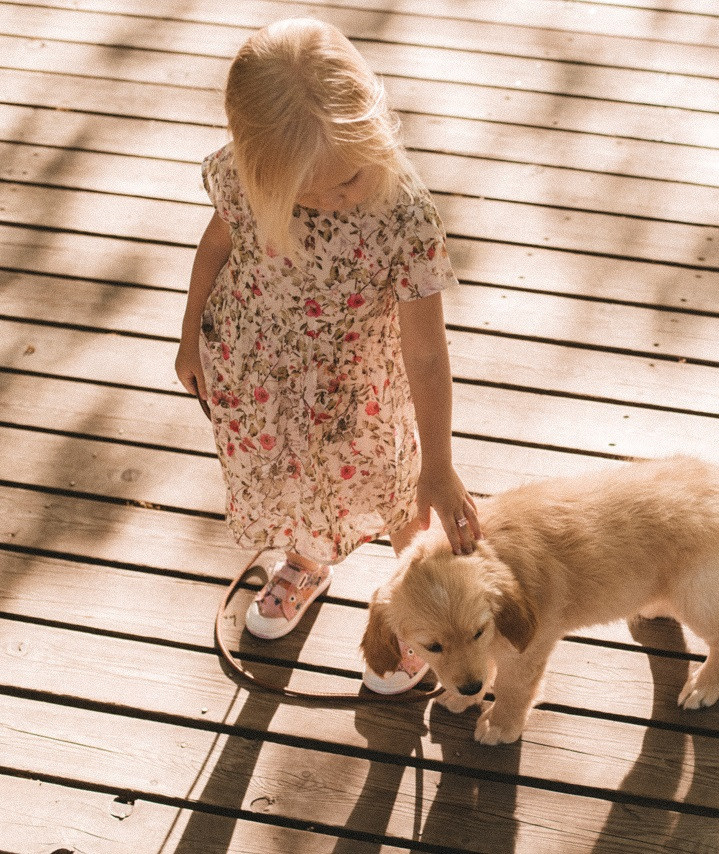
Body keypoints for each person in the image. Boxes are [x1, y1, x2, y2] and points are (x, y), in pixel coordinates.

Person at [174, 18, 480, 694]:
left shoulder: (404, 217)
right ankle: (307, 559)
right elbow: (218, 244)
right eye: (313, 193)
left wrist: (439, 464)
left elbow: (427, 354)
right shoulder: (244, 176)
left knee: (399, 501)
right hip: (260, 380)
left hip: (358, 391)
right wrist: (191, 329)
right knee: (291, 479)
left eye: (349, 179)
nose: (338, 200)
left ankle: (423, 616)